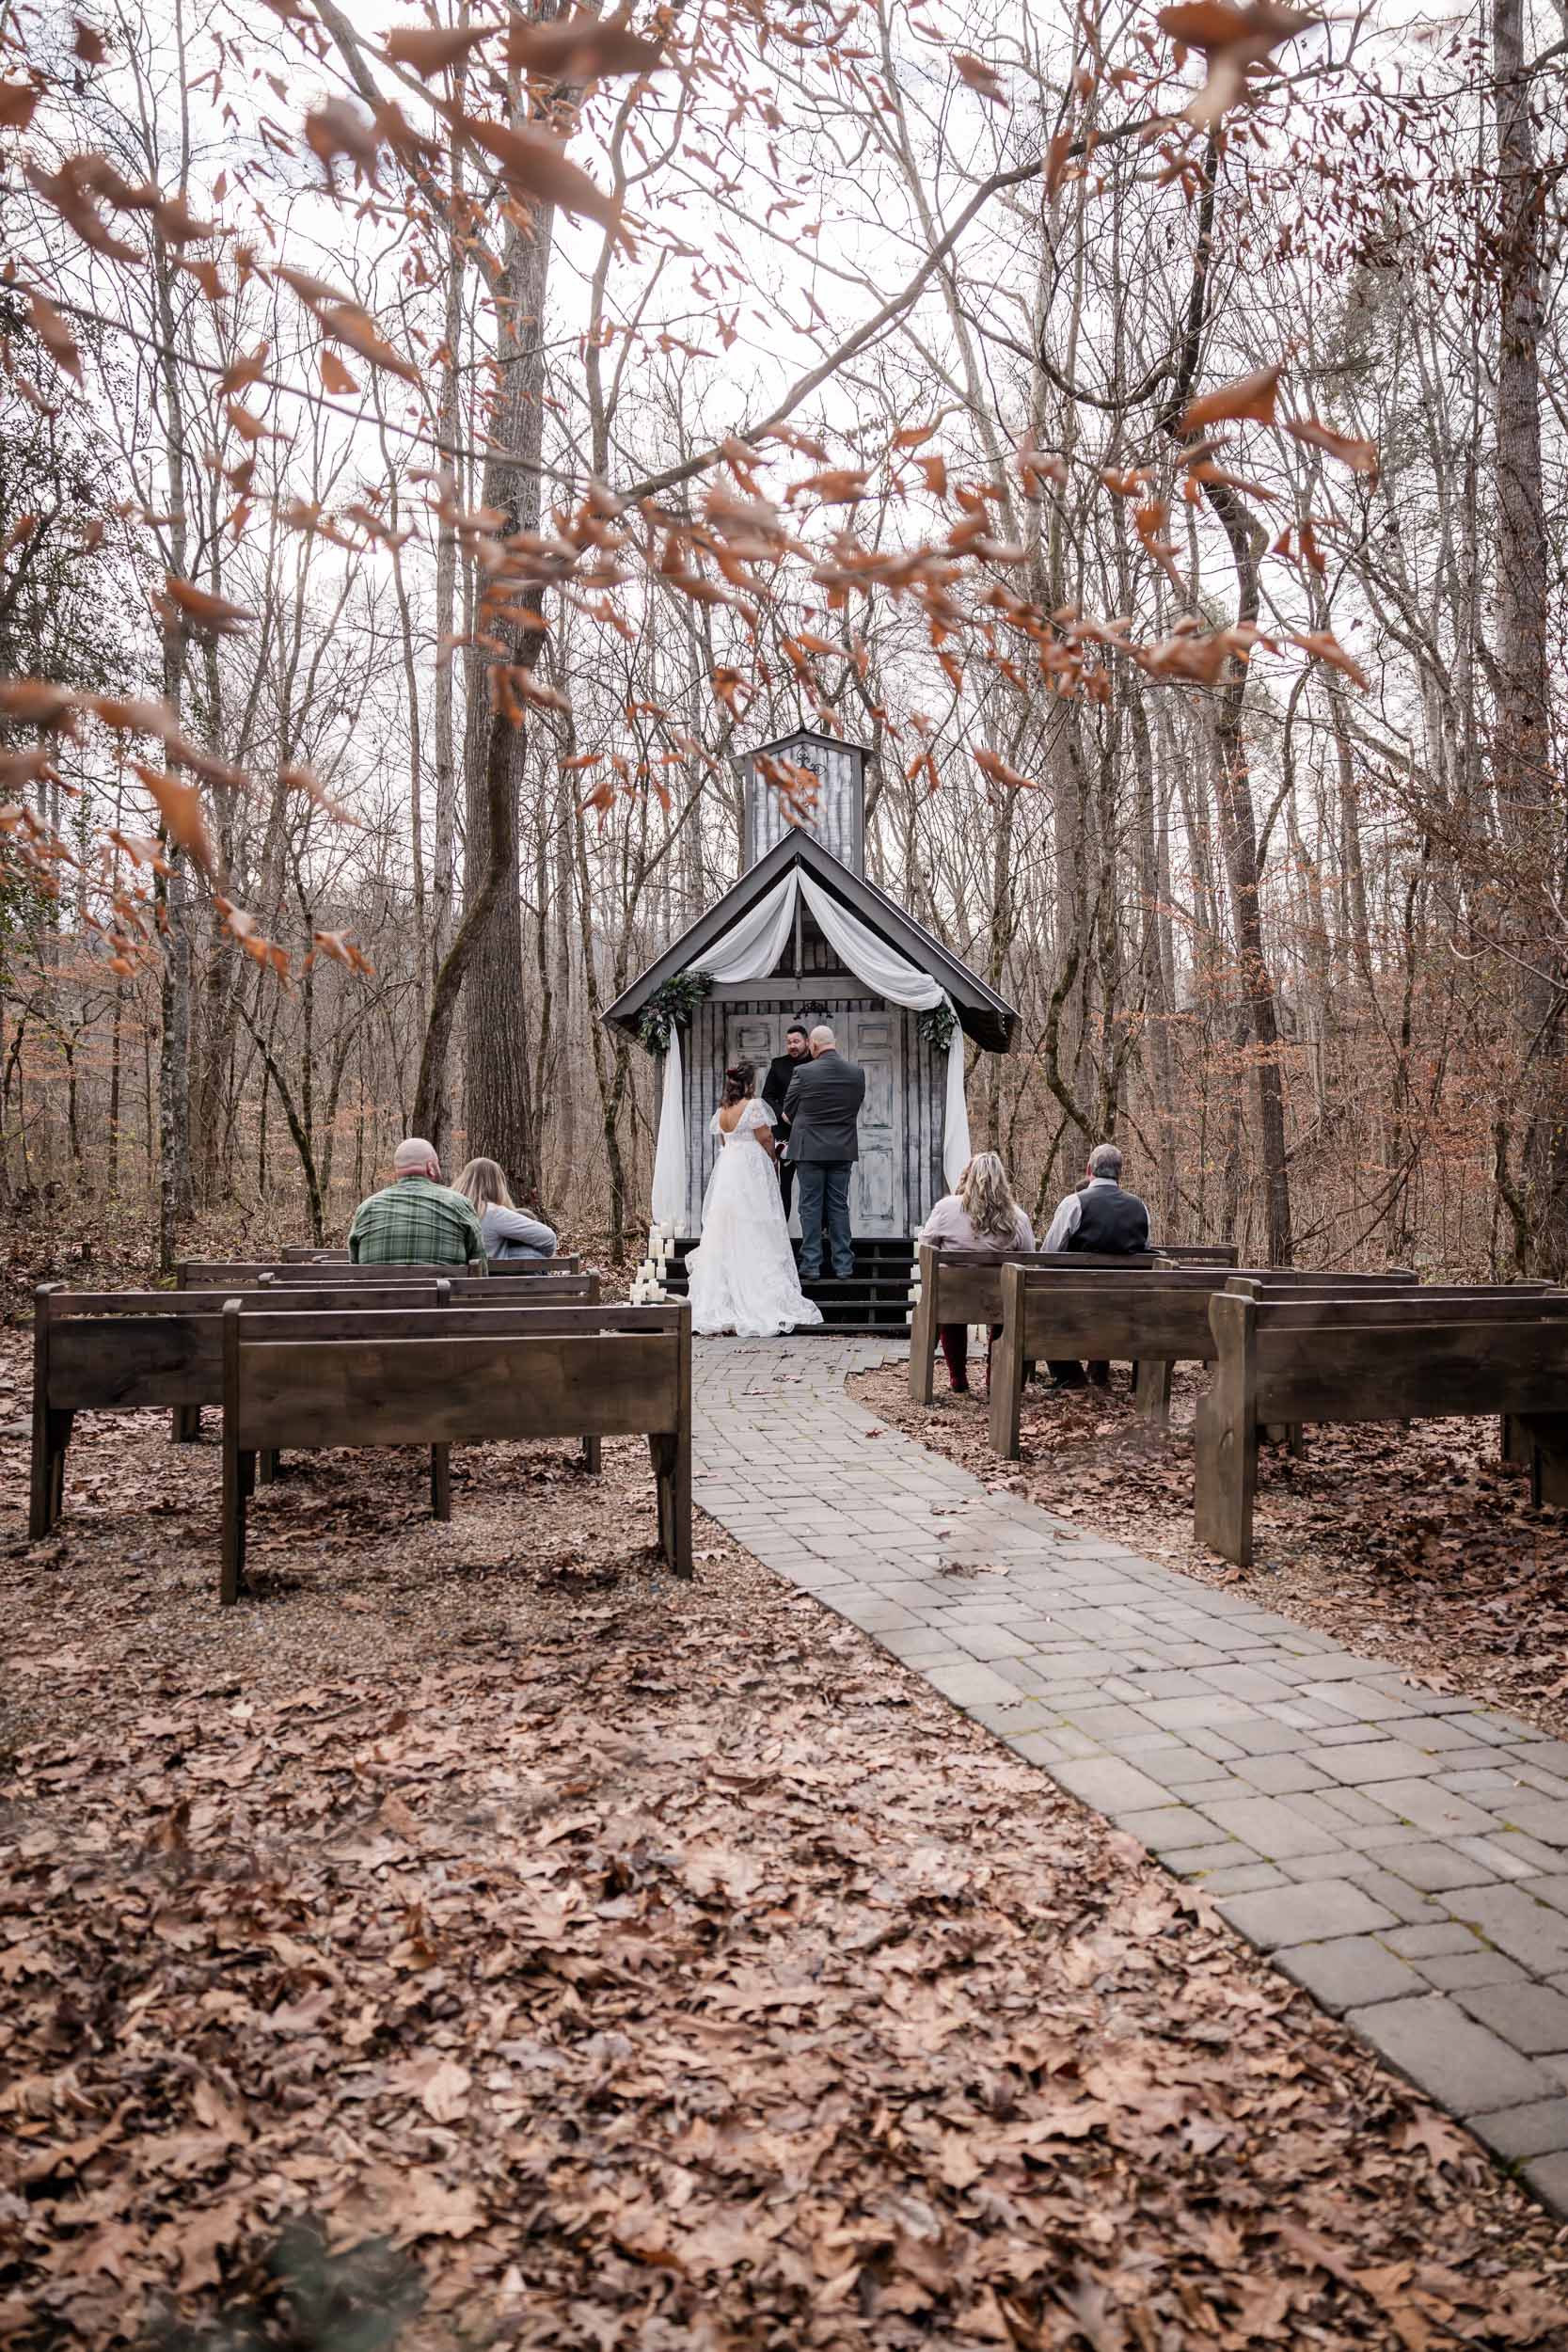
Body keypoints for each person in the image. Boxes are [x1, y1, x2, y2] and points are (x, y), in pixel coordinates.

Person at [684, 1061, 825, 1337]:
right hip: (749, 1166)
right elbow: (765, 1137)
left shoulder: (722, 1111)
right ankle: (757, 1295)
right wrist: (773, 1158)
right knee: (756, 1223)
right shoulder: (753, 1106)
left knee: (727, 1227)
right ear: (749, 1083)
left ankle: (721, 1297)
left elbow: (724, 1143)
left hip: (728, 1169)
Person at [917, 1152, 1036, 1394]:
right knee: (1006, 1307)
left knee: (950, 1305)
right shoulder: (1018, 1218)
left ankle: (958, 1378)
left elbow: (926, 1245)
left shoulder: (946, 1208)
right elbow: (1028, 1257)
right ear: (1002, 1181)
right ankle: (995, 1380)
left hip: (954, 1297)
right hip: (1001, 1302)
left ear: (969, 1177)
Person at [1039, 1140, 1150, 1389]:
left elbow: (1049, 1254)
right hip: (1126, 1302)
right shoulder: (1140, 1207)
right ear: (1120, 1172)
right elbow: (1144, 1251)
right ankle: (1098, 1371)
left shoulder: (1073, 1203)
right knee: (1109, 1296)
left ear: (1089, 1170)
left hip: (1075, 1301)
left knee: (1044, 1303)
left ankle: (1070, 1375)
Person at [783, 1025, 866, 1282]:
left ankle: (811, 1264)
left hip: (809, 1149)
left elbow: (788, 1110)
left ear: (814, 1046)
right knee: (838, 1205)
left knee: (810, 1206)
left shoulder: (803, 1072)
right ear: (834, 1043)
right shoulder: (856, 1073)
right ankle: (843, 1265)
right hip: (842, 1148)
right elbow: (855, 1106)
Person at [348, 1136, 488, 1269]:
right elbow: (479, 1265)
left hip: (378, 1294)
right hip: (444, 1294)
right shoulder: (460, 1204)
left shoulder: (366, 1208)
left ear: (398, 1170)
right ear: (430, 1167)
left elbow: (355, 1267)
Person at [452, 1157, 558, 1261]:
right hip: (492, 1276)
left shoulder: (448, 1208)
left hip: (449, 1276)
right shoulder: (492, 1213)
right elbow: (549, 1238)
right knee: (531, 1254)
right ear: (497, 1185)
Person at [761, 1021, 811, 1220]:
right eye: (789, 1042)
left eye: (796, 1041)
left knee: (811, 1187)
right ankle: (783, 1234)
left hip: (810, 1135)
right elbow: (767, 1096)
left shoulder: (816, 1063)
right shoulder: (778, 1064)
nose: (792, 1046)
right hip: (784, 1135)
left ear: (807, 1042)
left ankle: (818, 1234)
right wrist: (782, 1113)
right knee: (784, 1187)